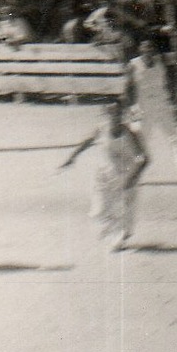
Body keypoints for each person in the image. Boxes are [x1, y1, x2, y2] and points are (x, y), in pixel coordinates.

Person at [60, 101, 149, 252]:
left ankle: (118, 239)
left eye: (118, 114)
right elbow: (86, 142)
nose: (114, 117)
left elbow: (144, 159)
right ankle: (114, 234)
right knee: (98, 212)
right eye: (111, 114)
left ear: (122, 115)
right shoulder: (101, 129)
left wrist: (132, 178)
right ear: (105, 115)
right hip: (104, 175)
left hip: (126, 176)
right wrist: (72, 157)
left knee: (122, 213)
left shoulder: (130, 134)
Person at [125, 39, 177, 184]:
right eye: (145, 47)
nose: (148, 50)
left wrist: (175, 106)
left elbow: (169, 86)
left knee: (175, 140)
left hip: (163, 106)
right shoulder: (133, 65)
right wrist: (131, 109)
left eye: (151, 47)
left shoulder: (161, 63)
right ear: (140, 49)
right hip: (143, 109)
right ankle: (130, 175)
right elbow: (128, 89)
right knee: (139, 143)